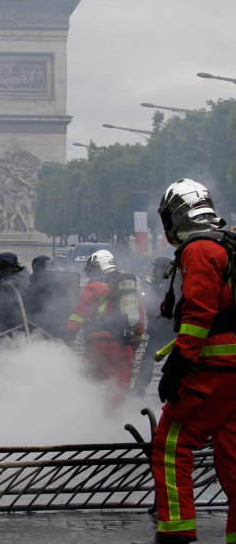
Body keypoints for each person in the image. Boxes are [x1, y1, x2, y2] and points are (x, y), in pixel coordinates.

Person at [135, 179, 236, 544]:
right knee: (232, 458)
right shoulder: (226, 244)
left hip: (212, 368)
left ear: (177, 215)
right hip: (232, 368)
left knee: (171, 444)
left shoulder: (200, 250)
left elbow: (198, 314)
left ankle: (175, 531)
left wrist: (178, 366)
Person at [62, 249, 144, 404]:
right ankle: (114, 424)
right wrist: (134, 345)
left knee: (86, 386)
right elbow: (139, 324)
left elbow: (80, 312)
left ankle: (86, 420)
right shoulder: (129, 291)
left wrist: (68, 333)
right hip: (124, 348)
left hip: (98, 345)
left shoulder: (94, 287)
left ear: (100, 267)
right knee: (118, 394)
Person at [132, 256, 177, 397]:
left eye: (157, 267)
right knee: (148, 358)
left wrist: (159, 323)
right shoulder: (159, 284)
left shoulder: (172, 282)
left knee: (173, 360)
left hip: (169, 330)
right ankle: (139, 388)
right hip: (159, 328)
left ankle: (174, 388)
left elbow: (172, 308)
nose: (155, 270)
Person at [0, 252, 29, 332]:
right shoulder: (16, 279)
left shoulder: (10, 283)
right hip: (9, 323)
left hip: (12, 323)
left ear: (5, 267)